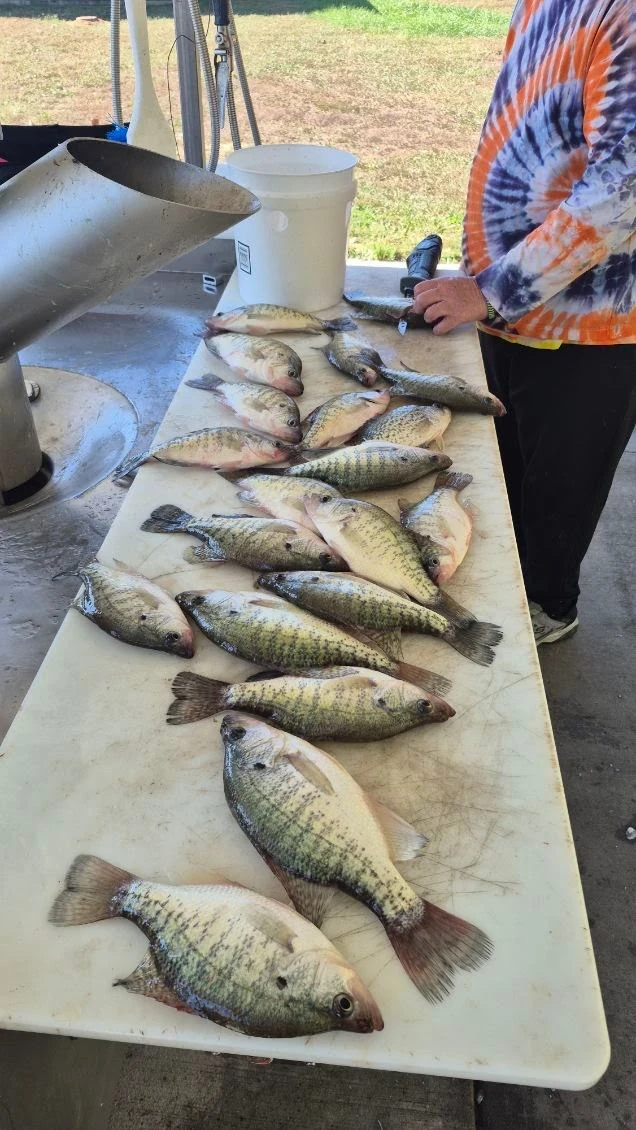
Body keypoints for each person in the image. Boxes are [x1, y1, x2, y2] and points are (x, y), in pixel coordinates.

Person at [411, 0, 635, 645]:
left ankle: (547, 609)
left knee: (558, 493)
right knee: (503, 478)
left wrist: (494, 288)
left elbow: (622, 189)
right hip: (508, 309)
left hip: (590, 327)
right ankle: (510, 593)